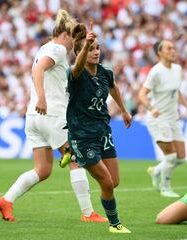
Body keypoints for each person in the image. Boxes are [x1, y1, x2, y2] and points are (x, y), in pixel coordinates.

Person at [0, 9, 106, 223]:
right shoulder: (57, 49)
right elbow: (38, 71)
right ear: (65, 35)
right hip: (51, 114)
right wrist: (42, 98)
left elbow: (46, 70)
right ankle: (88, 213)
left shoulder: (45, 48)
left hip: (34, 117)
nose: (74, 44)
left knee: (43, 169)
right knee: (77, 161)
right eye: (73, 39)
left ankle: (7, 200)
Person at [66, 23, 132, 233]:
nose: (95, 52)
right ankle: (115, 224)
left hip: (103, 131)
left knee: (114, 182)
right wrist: (84, 46)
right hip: (82, 134)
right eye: (90, 48)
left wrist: (123, 110)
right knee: (106, 182)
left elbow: (114, 89)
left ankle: (74, 155)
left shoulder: (105, 73)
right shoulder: (75, 74)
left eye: (97, 48)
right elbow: (76, 67)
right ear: (79, 52)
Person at [138, 40, 187, 198]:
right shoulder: (155, 72)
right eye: (169, 48)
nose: (173, 51)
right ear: (160, 53)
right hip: (159, 119)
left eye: (174, 48)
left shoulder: (177, 69)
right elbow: (141, 94)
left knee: (182, 158)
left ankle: (156, 171)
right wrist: (151, 108)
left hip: (173, 118)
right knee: (171, 157)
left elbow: (176, 92)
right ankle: (165, 187)